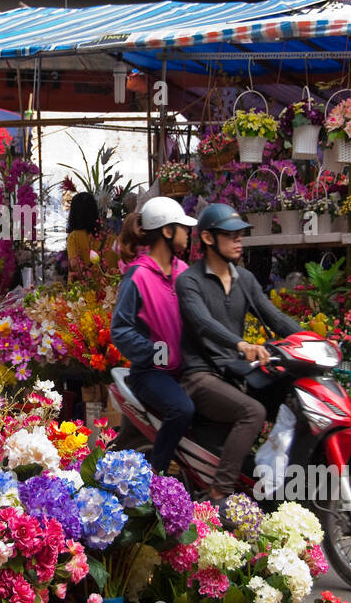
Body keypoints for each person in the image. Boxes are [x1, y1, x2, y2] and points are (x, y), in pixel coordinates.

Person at [175, 204, 302, 505]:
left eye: (241, 234)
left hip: (233, 373)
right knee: (252, 412)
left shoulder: (244, 279)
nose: (239, 240)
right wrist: (241, 345)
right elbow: (204, 324)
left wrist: (313, 339)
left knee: (290, 394)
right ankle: (219, 492)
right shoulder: (189, 281)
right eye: (230, 235)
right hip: (199, 376)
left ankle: (274, 479)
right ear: (207, 238)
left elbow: (274, 316)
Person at [110, 197, 198, 473]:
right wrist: (153, 350)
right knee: (182, 410)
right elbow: (120, 329)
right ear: (167, 232)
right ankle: (157, 475)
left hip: (184, 369)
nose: (188, 233)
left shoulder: (184, 273)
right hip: (150, 373)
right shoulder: (138, 276)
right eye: (183, 227)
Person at [65, 192, 117, 276]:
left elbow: (75, 265)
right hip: (110, 287)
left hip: (85, 288)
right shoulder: (112, 238)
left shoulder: (74, 237)